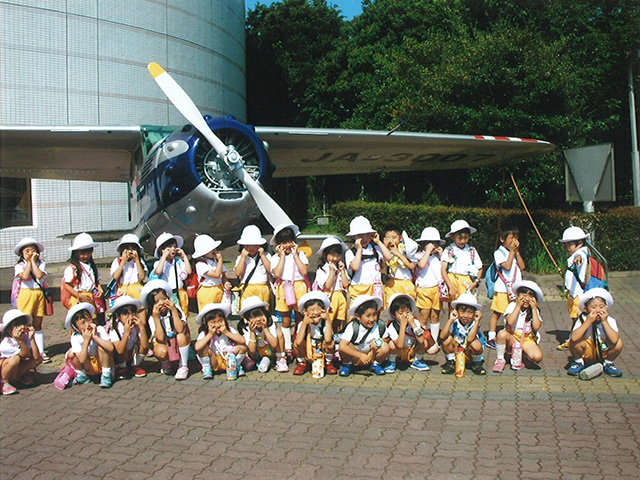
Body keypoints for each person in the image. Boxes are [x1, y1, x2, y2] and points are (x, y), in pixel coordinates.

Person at [270, 223, 309, 361]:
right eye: (283, 242)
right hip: (284, 287)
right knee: (285, 319)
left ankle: (299, 343)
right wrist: (281, 256)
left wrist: (295, 254)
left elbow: (304, 271)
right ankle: (288, 347)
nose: (287, 245)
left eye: (289, 241)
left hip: (299, 286)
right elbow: (277, 273)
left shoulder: (301, 255)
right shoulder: (275, 258)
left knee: (300, 318)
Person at [141, 279, 191, 380]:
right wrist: (156, 317)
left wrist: (173, 310)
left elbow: (180, 329)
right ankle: (166, 363)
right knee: (161, 350)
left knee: (181, 336)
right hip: (164, 342)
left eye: (164, 299)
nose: (162, 303)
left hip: (177, 340)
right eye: (157, 302)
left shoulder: (176, 309)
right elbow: (160, 338)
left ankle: (183, 365)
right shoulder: (152, 317)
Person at [567, 288, 623, 377]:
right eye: (593, 307)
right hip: (587, 351)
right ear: (586, 309)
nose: (598, 310)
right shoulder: (582, 319)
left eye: (601, 307)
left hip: (603, 349)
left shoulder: (610, 320)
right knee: (574, 342)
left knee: (619, 343)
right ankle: (578, 362)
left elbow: (614, 340)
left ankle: (608, 363)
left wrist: (604, 322)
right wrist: (588, 322)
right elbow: (574, 338)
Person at [486, 227, 525, 349]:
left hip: (515, 288)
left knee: (514, 311)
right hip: (502, 289)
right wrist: (512, 252)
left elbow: (522, 266)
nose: (514, 241)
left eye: (516, 238)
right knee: (497, 312)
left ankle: (511, 333)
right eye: (511, 238)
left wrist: (517, 252)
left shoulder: (514, 252)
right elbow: (507, 266)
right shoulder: (499, 253)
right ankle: (491, 336)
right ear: (503, 239)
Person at [492, 281, 543, 373]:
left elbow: (536, 327)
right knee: (501, 334)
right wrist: (518, 306)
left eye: (530, 296)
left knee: (537, 357)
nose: (526, 299)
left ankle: (523, 355)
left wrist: (534, 309)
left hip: (526, 338)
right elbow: (510, 322)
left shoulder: (534, 310)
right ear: (517, 295)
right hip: (512, 336)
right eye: (524, 295)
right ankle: (500, 359)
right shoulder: (512, 306)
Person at [13, 237, 50, 363]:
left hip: (38, 293)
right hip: (26, 294)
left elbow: (39, 275)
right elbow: (24, 276)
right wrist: (29, 262)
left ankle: (41, 351)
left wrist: (33, 262)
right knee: (25, 324)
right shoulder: (19, 266)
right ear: (22, 253)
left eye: (33, 251)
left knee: (38, 324)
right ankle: (27, 350)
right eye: (27, 251)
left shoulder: (41, 264)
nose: (30, 253)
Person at [65, 303, 114, 388]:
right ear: (76, 327)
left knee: (102, 346)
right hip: (88, 365)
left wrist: (95, 337)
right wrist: (86, 341)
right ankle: (82, 375)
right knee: (71, 353)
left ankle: (106, 375)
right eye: (82, 323)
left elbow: (110, 348)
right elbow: (81, 359)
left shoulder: (99, 330)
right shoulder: (76, 337)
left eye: (88, 320)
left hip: (102, 362)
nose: (87, 324)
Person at [338, 295, 390, 377]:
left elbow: (386, 339)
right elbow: (342, 346)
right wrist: (360, 355)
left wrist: (378, 342)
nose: (372, 319)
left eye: (374, 314)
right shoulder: (352, 326)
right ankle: (347, 364)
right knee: (346, 346)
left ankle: (376, 363)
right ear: (358, 316)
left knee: (385, 346)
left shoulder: (380, 325)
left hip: (371, 354)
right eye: (368, 316)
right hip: (355, 355)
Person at [344, 216, 392, 304]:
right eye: (359, 235)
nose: (363, 238)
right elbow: (355, 267)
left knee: (375, 310)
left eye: (366, 235)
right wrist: (359, 249)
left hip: (375, 287)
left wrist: (378, 242)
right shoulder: (351, 252)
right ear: (354, 237)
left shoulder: (375, 249)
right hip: (359, 287)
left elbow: (388, 257)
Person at [557, 226, 589, 350]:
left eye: (569, 244)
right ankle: (575, 337)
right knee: (575, 317)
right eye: (565, 245)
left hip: (578, 294)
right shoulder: (576, 253)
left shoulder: (581, 253)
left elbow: (581, 256)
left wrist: (578, 259)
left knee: (577, 318)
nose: (567, 248)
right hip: (573, 293)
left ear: (579, 243)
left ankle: (572, 339)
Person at [413, 227, 445, 354]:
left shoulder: (437, 257)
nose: (433, 246)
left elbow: (445, 267)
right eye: (430, 243)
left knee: (435, 316)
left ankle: (434, 341)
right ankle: (422, 341)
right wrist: (427, 251)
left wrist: (441, 254)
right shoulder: (419, 255)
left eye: (435, 243)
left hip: (436, 289)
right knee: (424, 317)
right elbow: (421, 265)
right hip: (423, 289)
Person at [194, 303, 247, 379]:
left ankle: (237, 366)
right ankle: (207, 369)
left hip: (229, 360)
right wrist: (210, 334)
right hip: (214, 361)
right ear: (206, 324)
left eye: (220, 321)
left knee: (242, 346)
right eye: (213, 322)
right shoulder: (205, 333)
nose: (217, 325)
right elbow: (197, 347)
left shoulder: (229, 330)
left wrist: (226, 332)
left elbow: (242, 340)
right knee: (203, 349)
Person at [382, 293, 432, 373]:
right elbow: (399, 345)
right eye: (400, 313)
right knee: (391, 344)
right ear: (393, 314)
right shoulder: (392, 326)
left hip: (412, 349)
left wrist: (413, 325)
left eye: (408, 312)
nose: (405, 315)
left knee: (424, 343)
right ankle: (391, 361)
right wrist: (403, 326)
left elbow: (421, 340)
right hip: (399, 351)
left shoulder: (415, 322)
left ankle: (417, 360)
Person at [292, 291, 338, 376]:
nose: (316, 312)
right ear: (305, 311)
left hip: (321, 348)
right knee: (296, 345)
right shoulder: (302, 323)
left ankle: (328, 362)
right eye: (312, 310)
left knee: (330, 344)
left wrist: (328, 320)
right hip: (308, 349)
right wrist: (304, 324)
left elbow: (328, 339)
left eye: (319, 309)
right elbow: (298, 342)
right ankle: (302, 363)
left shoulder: (324, 323)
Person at [439, 293, 486, 375]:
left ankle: (477, 364)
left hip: (469, 354)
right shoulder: (455, 322)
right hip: (456, 352)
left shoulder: (474, 323)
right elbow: (442, 336)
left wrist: (477, 321)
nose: (466, 316)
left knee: (476, 344)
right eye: (462, 312)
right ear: (457, 311)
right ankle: (451, 362)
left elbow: (470, 339)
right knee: (447, 340)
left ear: (475, 313)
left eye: (470, 313)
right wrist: (450, 320)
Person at [0, 310, 42, 395]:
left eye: (23, 323)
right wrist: (19, 340)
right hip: (4, 369)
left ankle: (22, 376)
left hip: (16, 370)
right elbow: (25, 354)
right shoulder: (6, 341)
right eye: (17, 325)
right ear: (9, 328)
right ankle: (3, 382)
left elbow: (36, 357)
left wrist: (31, 338)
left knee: (38, 359)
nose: (22, 327)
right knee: (15, 359)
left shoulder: (24, 337)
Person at [236, 296, 282, 373]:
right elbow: (252, 351)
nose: (258, 319)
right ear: (247, 320)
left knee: (279, 333)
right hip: (256, 355)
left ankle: (280, 359)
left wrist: (265, 328)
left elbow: (274, 344)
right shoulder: (246, 328)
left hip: (270, 351)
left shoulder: (270, 323)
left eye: (260, 315)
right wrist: (252, 332)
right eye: (253, 317)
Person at [314, 237, 349, 334]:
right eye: (332, 255)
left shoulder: (341, 268)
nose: (335, 259)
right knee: (328, 321)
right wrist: (332, 271)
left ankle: (336, 338)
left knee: (338, 322)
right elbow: (327, 286)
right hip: (329, 297)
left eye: (338, 256)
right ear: (325, 254)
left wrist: (342, 271)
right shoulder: (322, 269)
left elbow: (346, 284)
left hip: (340, 296)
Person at [107, 296, 149, 379]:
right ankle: (122, 367)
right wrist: (126, 333)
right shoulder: (114, 329)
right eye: (125, 314)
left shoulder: (136, 326)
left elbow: (145, 346)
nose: (130, 317)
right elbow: (119, 350)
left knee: (141, 346)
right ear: (118, 316)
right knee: (121, 350)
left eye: (132, 313)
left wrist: (142, 328)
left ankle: (135, 365)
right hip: (120, 356)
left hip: (132, 352)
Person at [441, 220, 483, 301]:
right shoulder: (449, 250)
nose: (463, 241)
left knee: (467, 303)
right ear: (452, 237)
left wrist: (475, 282)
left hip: (467, 282)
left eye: (466, 238)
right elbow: (443, 270)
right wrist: (451, 287)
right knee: (454, 306)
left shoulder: (471, 250)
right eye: (459, 238)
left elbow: (480, 268)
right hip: (453, 280)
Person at [63, 233, 104, 317]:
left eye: (88, 252)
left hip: (90, 297)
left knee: (92, 318)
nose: (85, 256)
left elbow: (96, 281)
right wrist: (79, 296)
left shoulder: (92, 266)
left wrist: (99, 289)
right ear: (76, 253)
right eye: (82, 253)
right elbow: (67, 285)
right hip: (78, 298)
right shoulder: (72, 268)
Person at [151, 232, 192, 316]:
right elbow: (158, 271)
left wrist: (184, 257)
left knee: (182, 314)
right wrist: (164, 256)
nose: (173, 249)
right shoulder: (159, 263)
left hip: (180, 292)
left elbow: (188, 271)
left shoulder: (178, 262)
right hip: (168, 294)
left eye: (174, 246)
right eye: (169, 247)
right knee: (172, 315)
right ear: (161, 250)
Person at [234, 225, 272, 307]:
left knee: (262, 309)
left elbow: (270, 269)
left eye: (255, 245)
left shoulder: (266, 255)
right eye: (248, 245)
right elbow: (238, 273)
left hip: (261, 286)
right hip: (246, 287)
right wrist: (243, 258)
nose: (251, 248)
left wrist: (262, 256)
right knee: (246, 308)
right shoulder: (241, 258)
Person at [193, 234, 231, 312]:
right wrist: (220, 260)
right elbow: (216, 274)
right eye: (210, 249)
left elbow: (223, 274)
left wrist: (225, 282)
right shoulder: (201, 264)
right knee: (209, 312)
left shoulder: (216, 262)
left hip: (218, 289)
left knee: (220, 311)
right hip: (207, 291)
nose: (214, 251)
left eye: (214, 248)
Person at [110, 234, 147, 312]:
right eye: (127, 249)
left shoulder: (140, 262)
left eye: (133, 249)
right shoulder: (117, 261)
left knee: (141, 313)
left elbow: (142, 277)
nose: (130, 251)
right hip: (123, 290)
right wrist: (123, 261)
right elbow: (115, 277)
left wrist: (137, 261)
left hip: (137, 290)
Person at [381, 225, 416, 309]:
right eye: (388, 238)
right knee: (392, 307)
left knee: (407, 307)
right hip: (392, 282)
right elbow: (382, 266)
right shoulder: (383, 251)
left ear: (400, 238)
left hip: (406, 281)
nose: (391, 240)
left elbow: (411, 266)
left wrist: (398, 253)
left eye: (394, 237)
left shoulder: (405, 250)